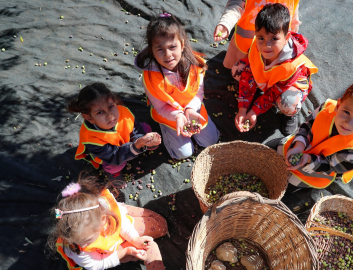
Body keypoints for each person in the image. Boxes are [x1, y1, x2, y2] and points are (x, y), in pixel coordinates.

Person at [265, 79, 353, 189]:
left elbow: (328, 167)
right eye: (346, 112)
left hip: (318, 168)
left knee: (286, 182)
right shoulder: (326, 108)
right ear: (338, 106)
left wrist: (307, 159)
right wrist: (299, 145)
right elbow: (308, 125)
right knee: (271, 147)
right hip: (305, 147)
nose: (348, 123)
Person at [135, 13, 220, 160]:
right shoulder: (150, 78)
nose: (168, 55)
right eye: (160, 49)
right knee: (184, 153)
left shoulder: (195, 65)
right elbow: (161, 107)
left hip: (193, 109)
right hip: (170, 115)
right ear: (152, 51)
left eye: (172, 47)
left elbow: (198, 92)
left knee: (211, 141)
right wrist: (179, 116)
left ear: (182, 44)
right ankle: (166, 129)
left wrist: (190, 110)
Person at [48, 175, 168, 270]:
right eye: (80, 242)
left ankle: (123, 212)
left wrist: (135, 239)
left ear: (103, 220)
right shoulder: (75, 248)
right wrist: (125, 252)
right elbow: (98, 264)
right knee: (158, 231)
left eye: (88, 240)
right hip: (111, 250)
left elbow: (122, 224)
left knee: (159, 223)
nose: (84, 245)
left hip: (117, 218)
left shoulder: (105, 209)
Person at [232, 3, 318, 136]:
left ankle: (290, 115)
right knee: (238, 69)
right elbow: (248, 72)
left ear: (287, 38)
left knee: (288, 103)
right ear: (256, 34)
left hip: (287, 85)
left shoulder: (291, 66)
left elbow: (274, 93)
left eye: (274, 39)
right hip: (268, 78)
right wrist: (242, 108)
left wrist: (254, 111)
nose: (266, 45)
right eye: (261, 38)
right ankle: (254, 92)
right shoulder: (256, 45)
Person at [68, 83, 161, 187]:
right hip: (111, 156)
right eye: (100, 112)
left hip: (126, 141)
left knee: (146, 129)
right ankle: (113, 173)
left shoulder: (124, 112)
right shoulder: (91, 138)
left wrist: (142, 139)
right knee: (114, 166)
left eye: (111, 106)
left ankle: (143, 145)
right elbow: (114, 156)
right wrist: (137, 145)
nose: (110, 116)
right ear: (89, 118)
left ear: (115, 103)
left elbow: (135, 128)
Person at [213, 0, 301, 69]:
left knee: (267, 67)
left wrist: (294, 31)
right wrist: (226, 23)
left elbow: (293, 9)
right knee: (242, 70)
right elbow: (236, 5)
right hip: (248, 40)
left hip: (276, 44)